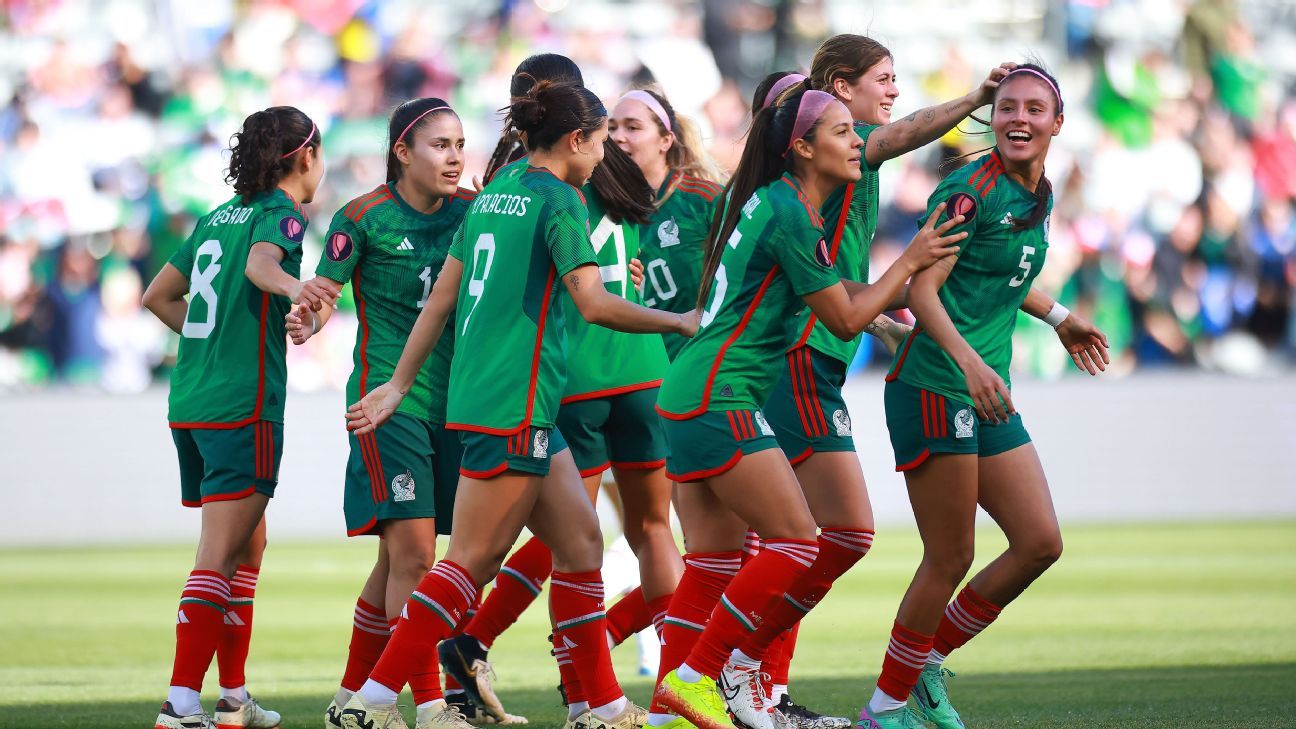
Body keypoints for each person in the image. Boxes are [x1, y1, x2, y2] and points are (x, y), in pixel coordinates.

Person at [339, 80, 699, 729]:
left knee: (581, 542)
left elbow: (443, 296)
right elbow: (592, 301)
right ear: (573, 140)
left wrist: (397, 384)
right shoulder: (559, 199)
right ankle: (370, 700)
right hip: (517, 401)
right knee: (472, 559)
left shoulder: (494, 193)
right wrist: (676, 322)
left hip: (492, 398)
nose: (604, 153)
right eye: (598, 138)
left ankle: (601, 704)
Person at [722, 40, 1017, 729]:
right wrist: (973, 101)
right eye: (883, 80)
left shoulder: (831, 168)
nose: (892, 93)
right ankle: (723, 670)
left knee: (792, 540)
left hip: (816, 354)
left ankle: (751, 686)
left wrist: (880, 321)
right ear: (836, 89)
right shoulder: (839, 147)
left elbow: (831, 271)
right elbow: (902, 133)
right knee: (832, 535)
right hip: (796, 355)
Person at [650, 88, 967, 729]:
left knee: (712, 564)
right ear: (802, 147)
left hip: (691, 392)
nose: (858, 143)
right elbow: (845, 320)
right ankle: (698, 678)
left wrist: (888, 314)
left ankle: (672, 714)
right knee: (796, 541)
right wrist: (908, 260)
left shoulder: (775, 204)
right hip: (721, 395)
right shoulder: (792, 212)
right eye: (844, 132)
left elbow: (837, 297)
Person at [858, 64, 1109, 729]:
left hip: (981, 386)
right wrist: (969, 363)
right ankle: (883, 710)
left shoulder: (1038, 190)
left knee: (1038, 542)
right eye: (1007, 107)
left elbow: (1002, 270)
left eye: (1034, 109)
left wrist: (1060, 317)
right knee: (951, 556)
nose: (1018, 118)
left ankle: (925, 664)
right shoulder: (970, 188)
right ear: (991, 117)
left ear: (1058, 123)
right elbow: (921, 287)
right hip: (937, 383)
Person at [435, 53, 662, 728]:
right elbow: (621, 263)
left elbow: (465, 282)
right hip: (619, 366)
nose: (613, 140)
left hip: (553, 379)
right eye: (609, 128)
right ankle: (667, 678)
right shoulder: (581, 175)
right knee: (651, 535)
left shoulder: (502, 178)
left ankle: (581, 686)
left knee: (568, 538)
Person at [284, 98, 487, 729]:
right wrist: (306, 317)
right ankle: (430, 705)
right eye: (439, 145)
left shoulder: (475, 212)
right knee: (418, 558)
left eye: (460, 144)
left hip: (462, 403)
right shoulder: (363, 217)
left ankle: (352, 697)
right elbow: (325, 295)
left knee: (398, 562)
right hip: (386, 403)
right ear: (402, 152)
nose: (454, 157)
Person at [141, 105, 332, 729]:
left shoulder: (216, 217)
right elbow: (260, 267)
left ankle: (233, 696)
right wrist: (294, 289)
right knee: (219, 554)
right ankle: (180, 702)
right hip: (240, 406)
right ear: (304, 157)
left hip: (192, 401)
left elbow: (156, 297)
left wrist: (211, 338)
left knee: (249, 546)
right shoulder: (282, 214)